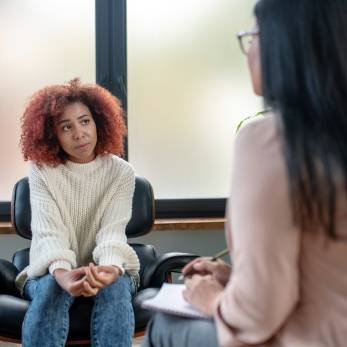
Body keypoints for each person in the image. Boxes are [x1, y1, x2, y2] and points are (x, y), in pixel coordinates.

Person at [142, 0, 347, 346]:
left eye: (253, 36)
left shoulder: (272, 138)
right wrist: (234, 277)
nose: (249, 49)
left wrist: (210, 297)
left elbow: (258, 313)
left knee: (163, 323)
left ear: (285, 44)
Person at [17, 78, 139, 347]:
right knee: (52, 285)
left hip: (106, 267)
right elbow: (50, 234)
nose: (79, 134)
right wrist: (62, 273)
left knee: (116, 285)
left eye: (85, 121)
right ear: (52, 135)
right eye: (66, 127)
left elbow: (112, 232)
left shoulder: (121, 173)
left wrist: (108, 269)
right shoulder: (41, 171)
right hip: (50, 272)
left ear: (98, 122)